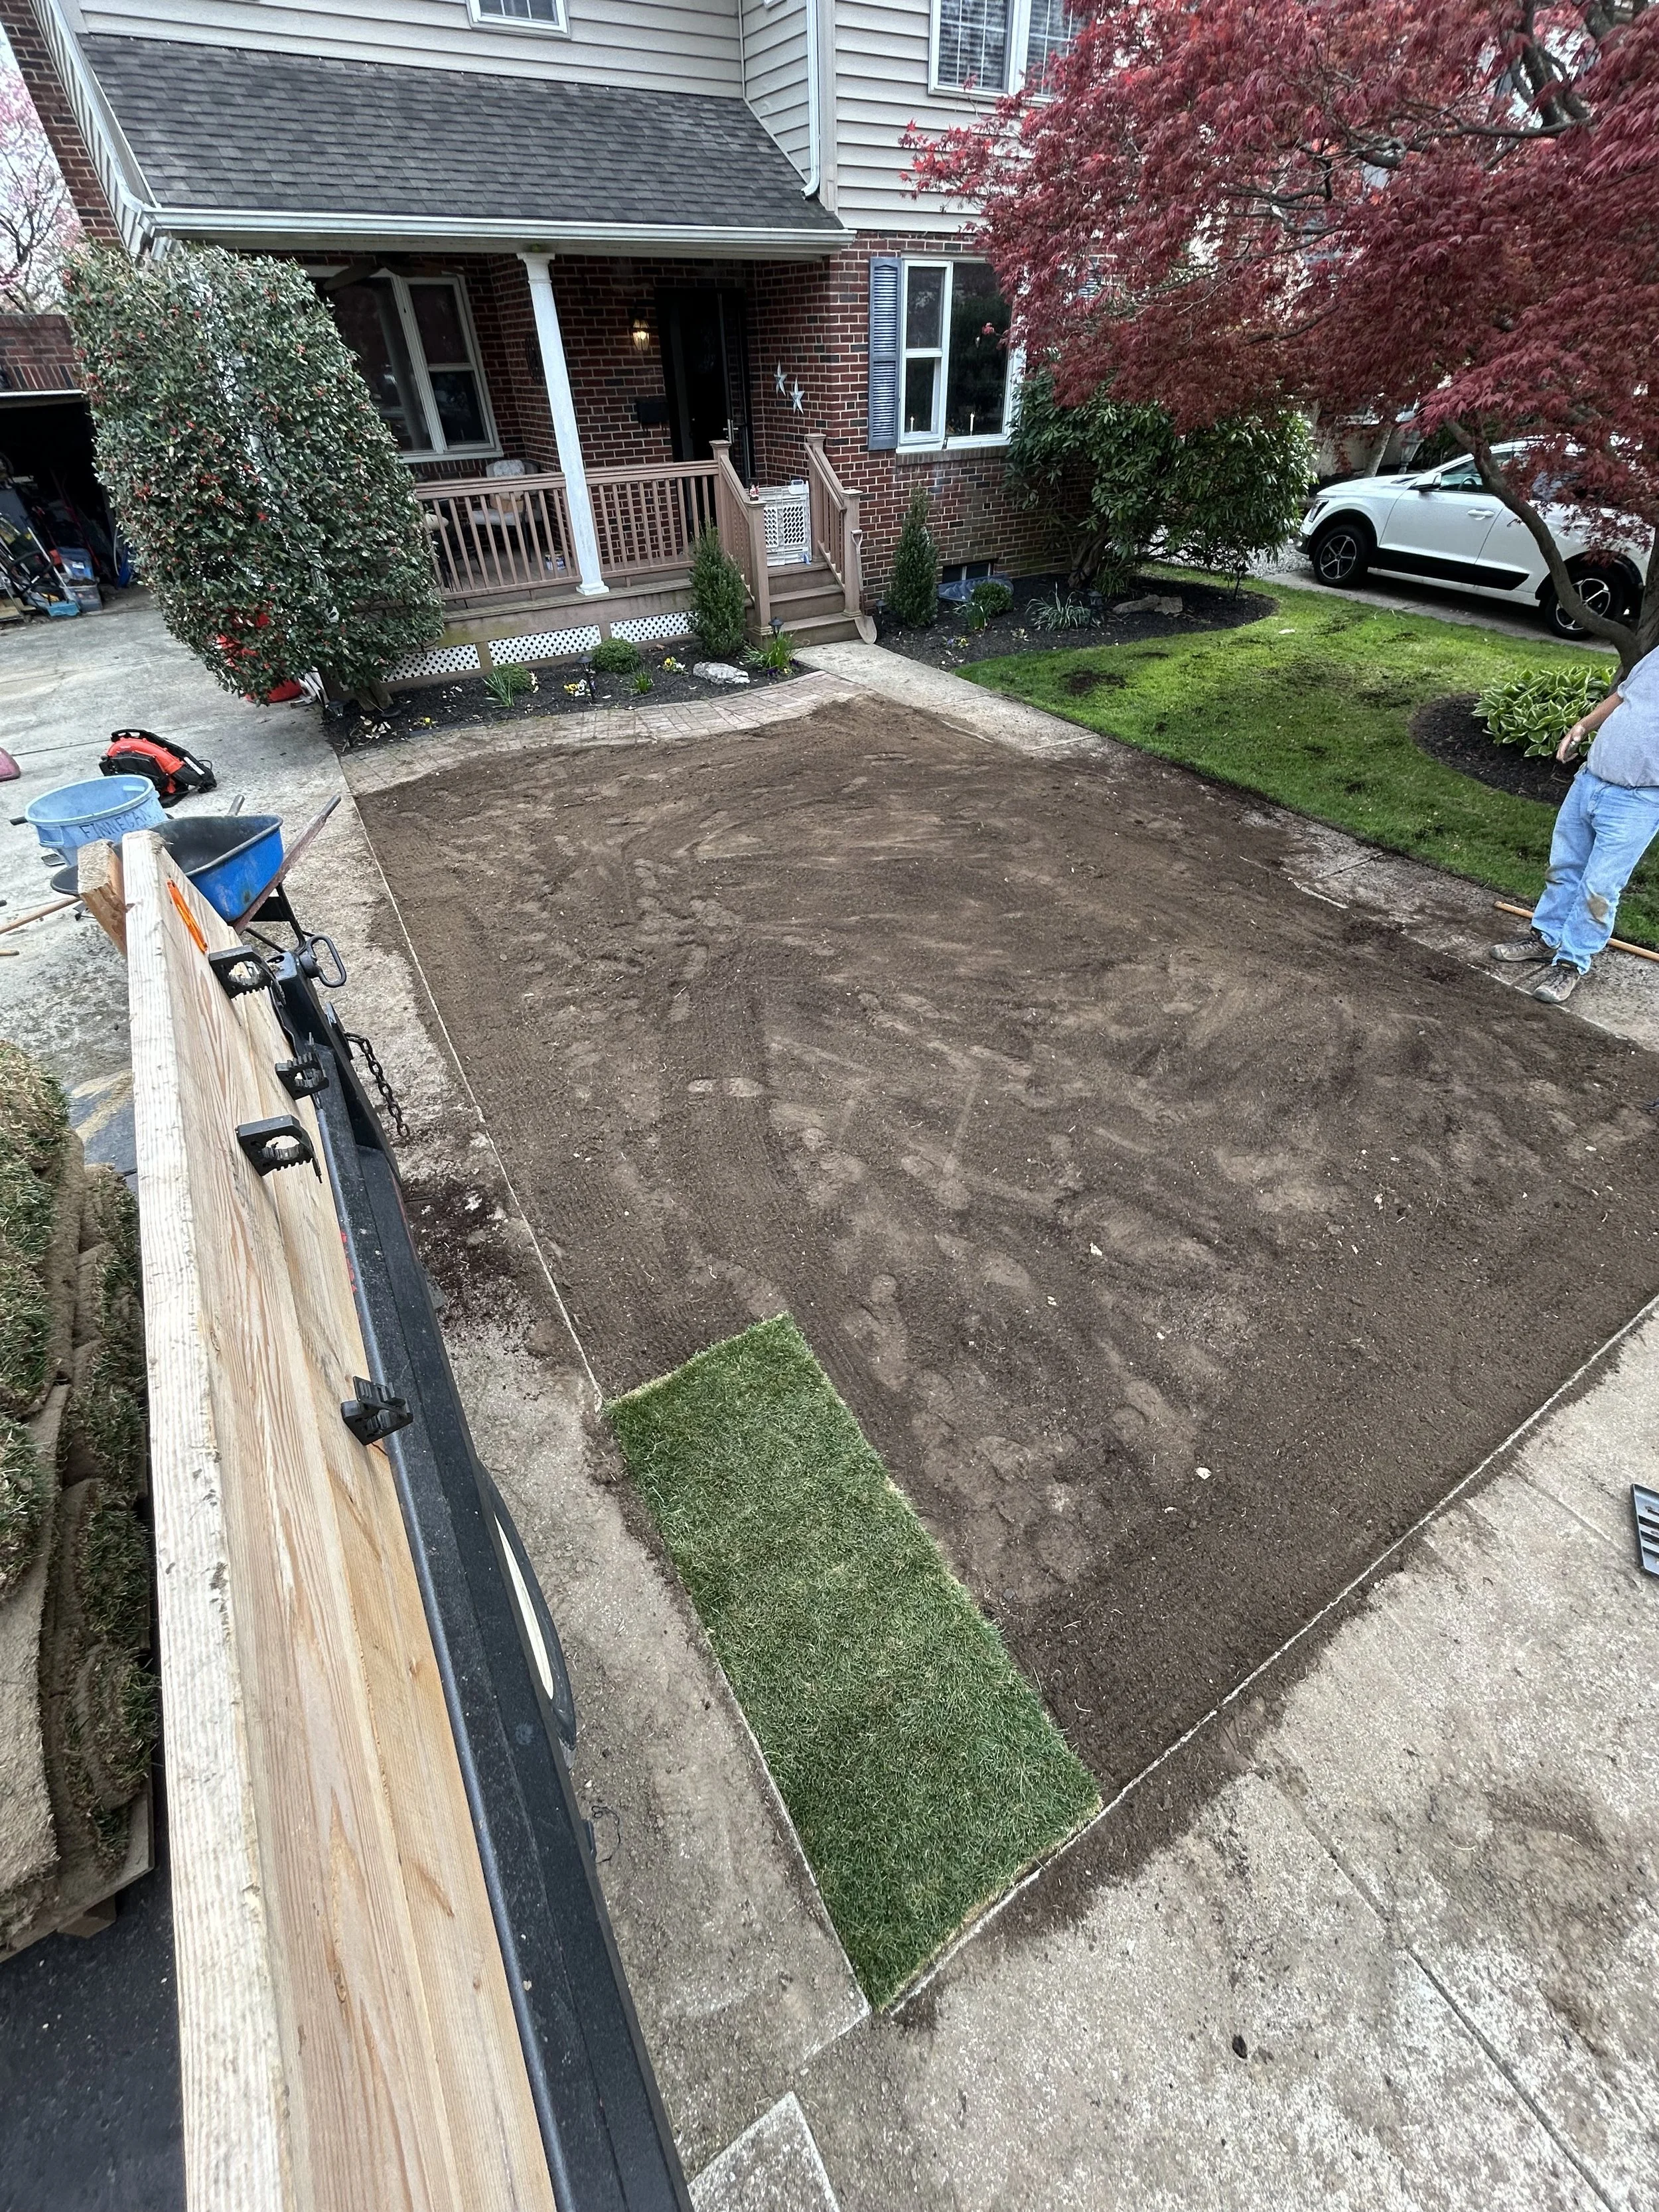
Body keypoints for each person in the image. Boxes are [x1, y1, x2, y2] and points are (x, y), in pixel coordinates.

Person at [1490, 642, 1659, 1005]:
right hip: (1590, 782)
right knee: (1564, 868)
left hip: (1639, 800)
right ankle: (1545, 937)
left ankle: (1571, 963)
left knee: (1599, 887)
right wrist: (1581, 727)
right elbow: (1621, 697)